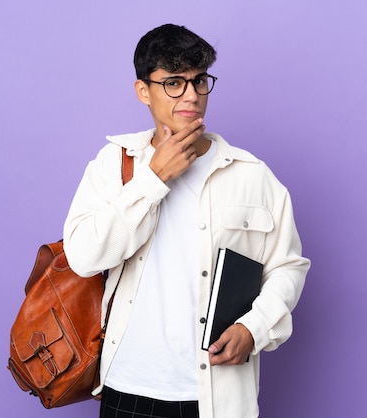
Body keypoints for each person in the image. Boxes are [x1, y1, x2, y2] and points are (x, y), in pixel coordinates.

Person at [63, 23, 310, 418]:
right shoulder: (113, 165)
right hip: (128, 386)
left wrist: (254, 328)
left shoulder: (250, 174)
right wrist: (153, 180)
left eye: (199, 81)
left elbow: (287, 266)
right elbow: (83, 256)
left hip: (217, 395)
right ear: (143, 91)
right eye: (174, 82)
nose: (191, 95)